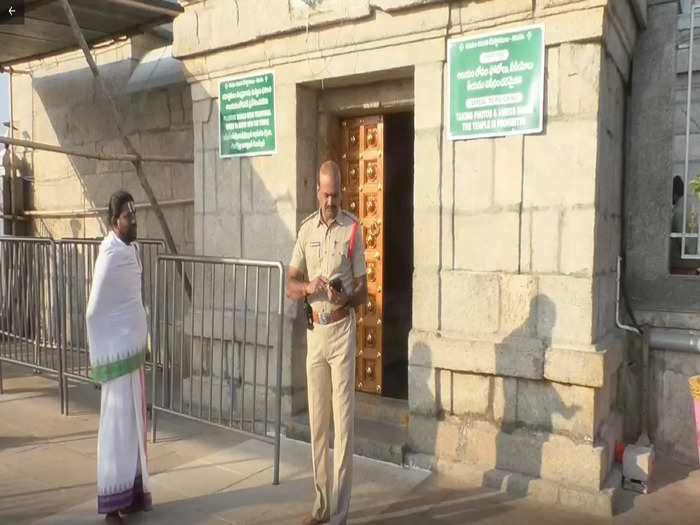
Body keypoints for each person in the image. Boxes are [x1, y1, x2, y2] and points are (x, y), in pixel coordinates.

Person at [286, 160, 367, 525]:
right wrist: (308, 287)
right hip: (315, 335)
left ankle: (340, 515)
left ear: (340, 192)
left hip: (342, 332)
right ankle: (320, 507)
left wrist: (345, 296)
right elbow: (289, 285)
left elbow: (364, 290)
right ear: (316, 192)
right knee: (318, 425)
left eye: (336, 195)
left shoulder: (352, 229)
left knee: (343, 425)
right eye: (326, 195)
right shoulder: (306, 230)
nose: (331, 201)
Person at [86, 190, 151, 522]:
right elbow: (94, 310)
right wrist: (106, 354)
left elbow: (132, 300)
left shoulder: (132, 250)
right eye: (128, 216)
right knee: (116, 429)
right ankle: (111, 507)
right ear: (114, 223)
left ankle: (132, 495)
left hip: (134, 356)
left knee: (134, 428)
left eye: (135, 214)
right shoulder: (110, 256)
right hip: (117, 361)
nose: (134, 220)